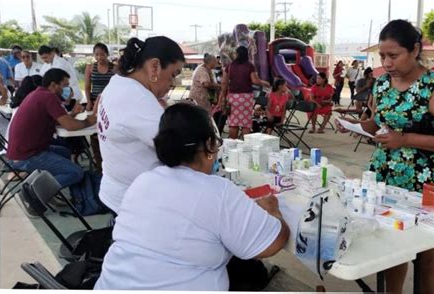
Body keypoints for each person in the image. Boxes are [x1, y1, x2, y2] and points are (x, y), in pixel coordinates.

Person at [94, 103, 289, 290]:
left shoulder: (142, 181)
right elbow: (273, 243)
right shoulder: (217, 191)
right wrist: (273, 211)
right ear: (209, 145)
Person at [336, 20, 434, 293]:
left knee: (426, 255)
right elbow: (376, 122)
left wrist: (404, 139)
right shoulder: (382, 84)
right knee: (390, 249)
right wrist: (354, 126)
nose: (387, 62)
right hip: (386, 175)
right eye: (382, 56)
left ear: (415, 49)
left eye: (393, 55)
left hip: (424, 180)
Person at [97, 36, 185, 215]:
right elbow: (182, 152)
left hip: (116, 189)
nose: (172, 83)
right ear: (154, 67)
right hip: (135, 202)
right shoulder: (138, 99)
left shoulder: (119, 83)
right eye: (173, 74)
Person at [7, 68, 98, 191]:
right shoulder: (49, 97)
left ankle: (58, 191)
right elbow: (69, 126)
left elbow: (60, 121)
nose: (67, 89)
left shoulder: (39, 93)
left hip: (22, 151)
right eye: (65, 85)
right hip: (27, 155)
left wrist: (73, 115)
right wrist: (88, 121)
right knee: (76, 172)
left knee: (64, 152)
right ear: (54, 85)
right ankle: (34, 192)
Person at [219, 46, 270, 139]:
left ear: (237, 54)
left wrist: (222, 96)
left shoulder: (230, 66)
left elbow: (224, 82)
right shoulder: (249, 66)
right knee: (246, 123)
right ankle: (245, 146)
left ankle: (233, 144)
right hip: (246, 97)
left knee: (233, 123)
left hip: (233, 97)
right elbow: (255, 81)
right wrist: (265, 83)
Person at [84, 43, 115, 111]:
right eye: (97, 54)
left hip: (110, 102)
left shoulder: (114, 68)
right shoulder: (90, 68)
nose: (99, 57)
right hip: (95, 102)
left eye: (102, 54)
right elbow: (87, 87)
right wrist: (89, 102)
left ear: (107, 54)